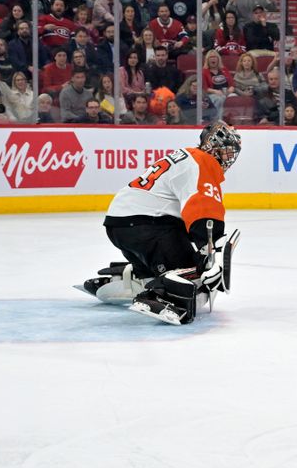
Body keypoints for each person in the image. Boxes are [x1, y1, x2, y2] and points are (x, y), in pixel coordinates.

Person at [85, 121, 242, 325]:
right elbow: (203, 207)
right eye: (226, 151)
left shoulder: (186, 156)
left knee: (179, 257)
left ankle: (136, 276)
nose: (228, 158)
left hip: (119, 224)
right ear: (213, 146)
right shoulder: (204, 161)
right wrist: (208, 250)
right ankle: (161, 294)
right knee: (195, 276)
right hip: (147, 226)